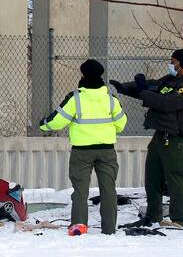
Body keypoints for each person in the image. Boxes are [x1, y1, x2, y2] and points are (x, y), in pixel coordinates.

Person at [111, 48, 183, 229]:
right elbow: (152, 87)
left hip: (175, 139)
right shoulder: (170, 80)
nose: (171, 64)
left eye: (174, 61)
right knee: (152, 177)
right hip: (160, 135)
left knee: (175, 178)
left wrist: (144, 91)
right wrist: (126, 88)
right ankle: (152, 216)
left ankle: (179, 220)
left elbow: (164, 103)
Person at [39, 59, 127, 235]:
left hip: (82, 152)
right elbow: (121, 124)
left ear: (83, 75)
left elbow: (58, 120)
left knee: (80, 190)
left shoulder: (76, 98)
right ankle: (109, 229)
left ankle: (79, 227)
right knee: (109, 189)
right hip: (107, 150)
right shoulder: (111, 98)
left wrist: (44, 124)